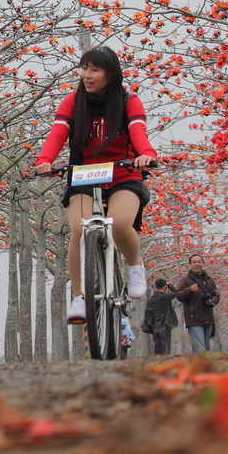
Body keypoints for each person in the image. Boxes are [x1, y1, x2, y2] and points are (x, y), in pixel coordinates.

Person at [34, 46, 158, 325]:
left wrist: (145, 154)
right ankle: (79, 297)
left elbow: (138, 130)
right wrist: (45, 160)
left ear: (110, 74)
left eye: (95, 70)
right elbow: (58, 133)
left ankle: (134, 265)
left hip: (123, 173)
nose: (87, 75)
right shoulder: (73, 101)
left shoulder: (129, 101)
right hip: (84, 175)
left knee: (121, 221)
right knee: (79, 229)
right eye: (84, 68)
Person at [176, 254, 219, 352]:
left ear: (203, 263)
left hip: (208, 319)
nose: (197, 264)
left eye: (199, 262)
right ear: (190, 265)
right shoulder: (185, 280)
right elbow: (179, 296)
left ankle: (203, 366)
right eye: (194, 262)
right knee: (200, 349)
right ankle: (200, 366)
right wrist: (189, 290)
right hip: (194, 319)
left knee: (206, 349)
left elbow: (217, 295)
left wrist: (213, 301)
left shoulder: (210, 280)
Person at [144, 278, 179, 355]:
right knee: (165, 350)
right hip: (164, 326)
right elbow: (176, 292)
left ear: (155, 287)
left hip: (154, 327)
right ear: (165, 287)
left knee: (157, 349)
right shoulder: (164, 297)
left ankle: (156, 364)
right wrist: (169, 285)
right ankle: (164, 365)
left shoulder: (151, 299)